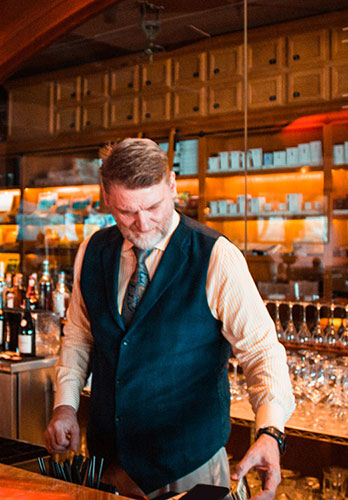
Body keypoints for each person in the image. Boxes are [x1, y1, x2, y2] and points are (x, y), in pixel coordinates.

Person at [44, 138, 295, 499]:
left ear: (172, 185)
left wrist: (271, 432)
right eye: (127, 212)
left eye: (153, 206)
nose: (143, 223)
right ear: (106, 196)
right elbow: (80, 337)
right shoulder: (93, 251)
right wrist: (65, 406)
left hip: (190, 469)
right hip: (109, 466)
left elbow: (261, 351)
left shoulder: (216, 257)